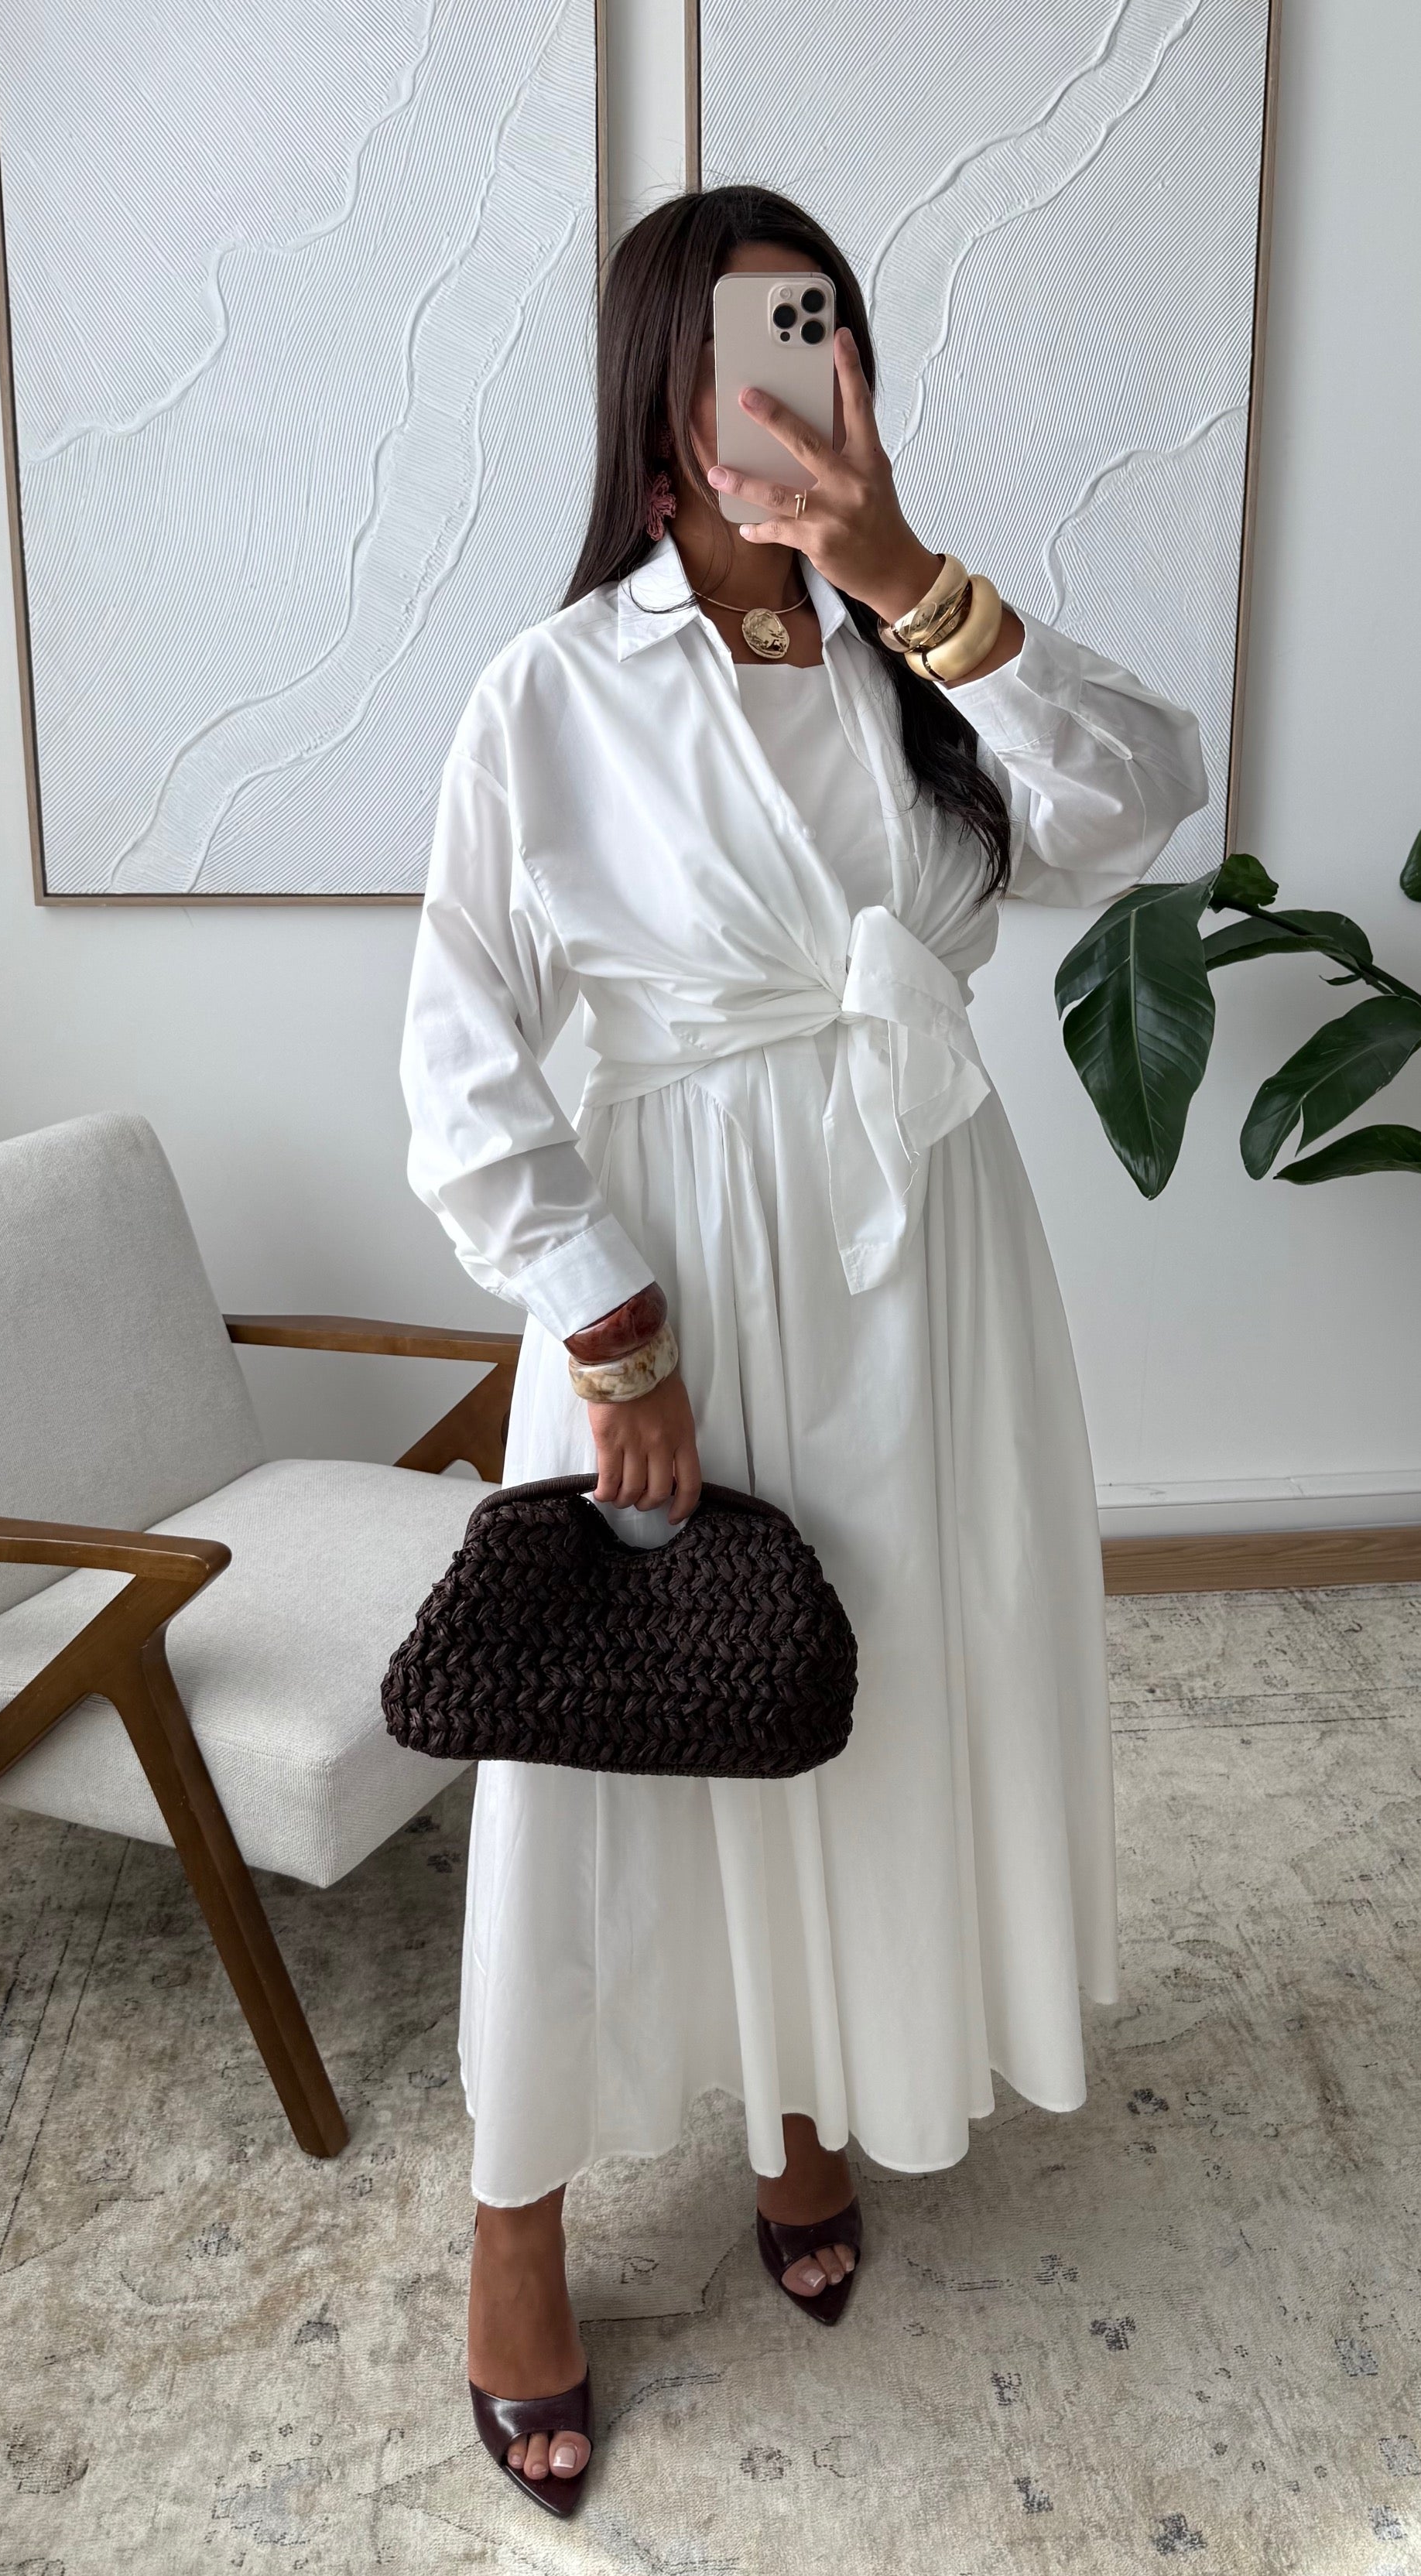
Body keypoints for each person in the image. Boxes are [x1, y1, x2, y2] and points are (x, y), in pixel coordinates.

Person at [399, 185, 1207, 2515]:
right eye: (747, 348)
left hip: (923, 1250)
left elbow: (1136, 802)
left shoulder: (917, 650)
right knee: (599, 1762)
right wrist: (609, 1326)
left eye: (821, 340)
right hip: (674, 1261)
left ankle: (800, 2095)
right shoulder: (551, 691)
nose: (789, 389)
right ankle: (517, 2220)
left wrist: (910, 575)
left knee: (876, 1688)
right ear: (660, 396)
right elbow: (459, 1052)